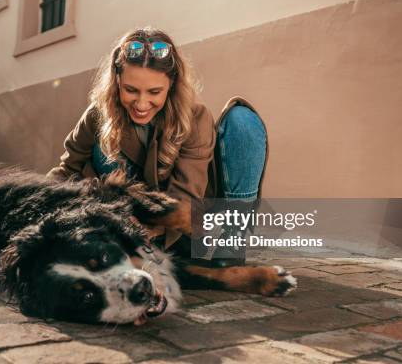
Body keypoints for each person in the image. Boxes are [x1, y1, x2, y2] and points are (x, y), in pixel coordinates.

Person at [47, 27, 267, 265]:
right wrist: (36, 202)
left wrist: (156, 226)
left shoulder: (196, 118)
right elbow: (67, 168)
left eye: (154, 92)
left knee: (242, 121)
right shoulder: (98, 114)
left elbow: (184, 199)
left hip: (187, 223)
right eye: (131, 90)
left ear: (171, 85)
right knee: (102, 144)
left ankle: (232, 239)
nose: (141, 104)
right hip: (133, 218)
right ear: (117, 81)